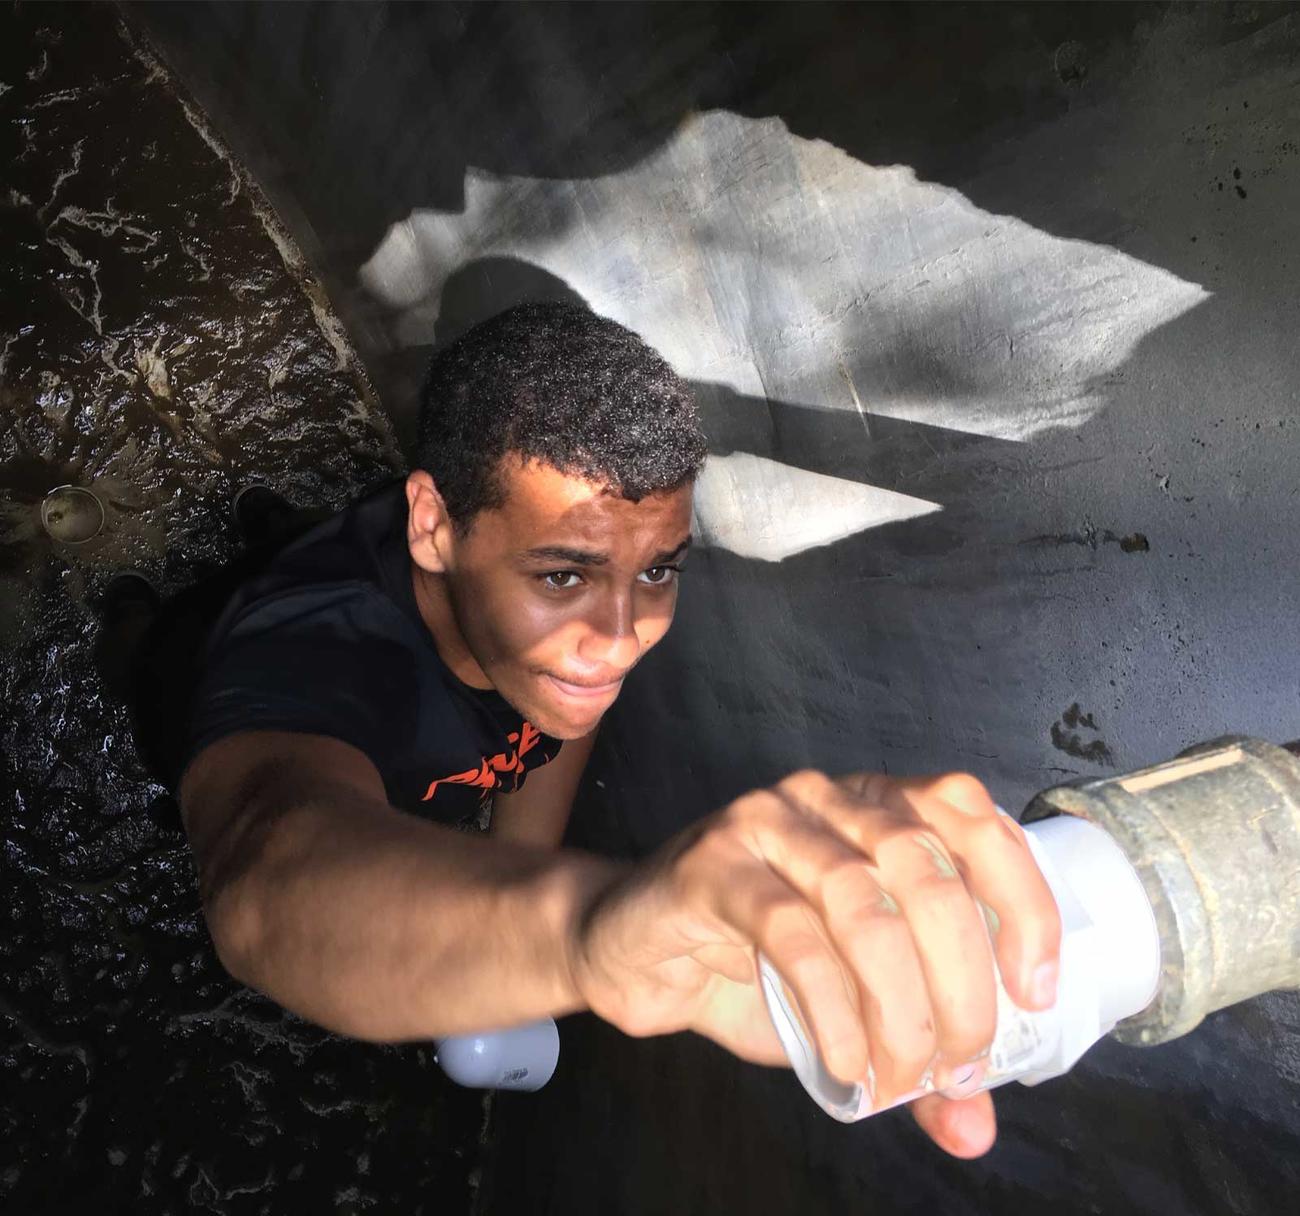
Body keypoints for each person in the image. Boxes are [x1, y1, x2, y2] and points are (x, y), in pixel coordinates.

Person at [122, 302, 1060, 1159]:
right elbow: (264, 875)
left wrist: (550, 898)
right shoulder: (316, 664)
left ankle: (275, 524)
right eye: (562, 575)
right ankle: (126, 620)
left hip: (384, 560)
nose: (620, 641)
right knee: (147, 653)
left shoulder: (551, 651)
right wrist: (583, 934)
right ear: (436, 525)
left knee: (306, 536)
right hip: (199, 677)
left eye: (658, 572)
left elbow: (558, 729)